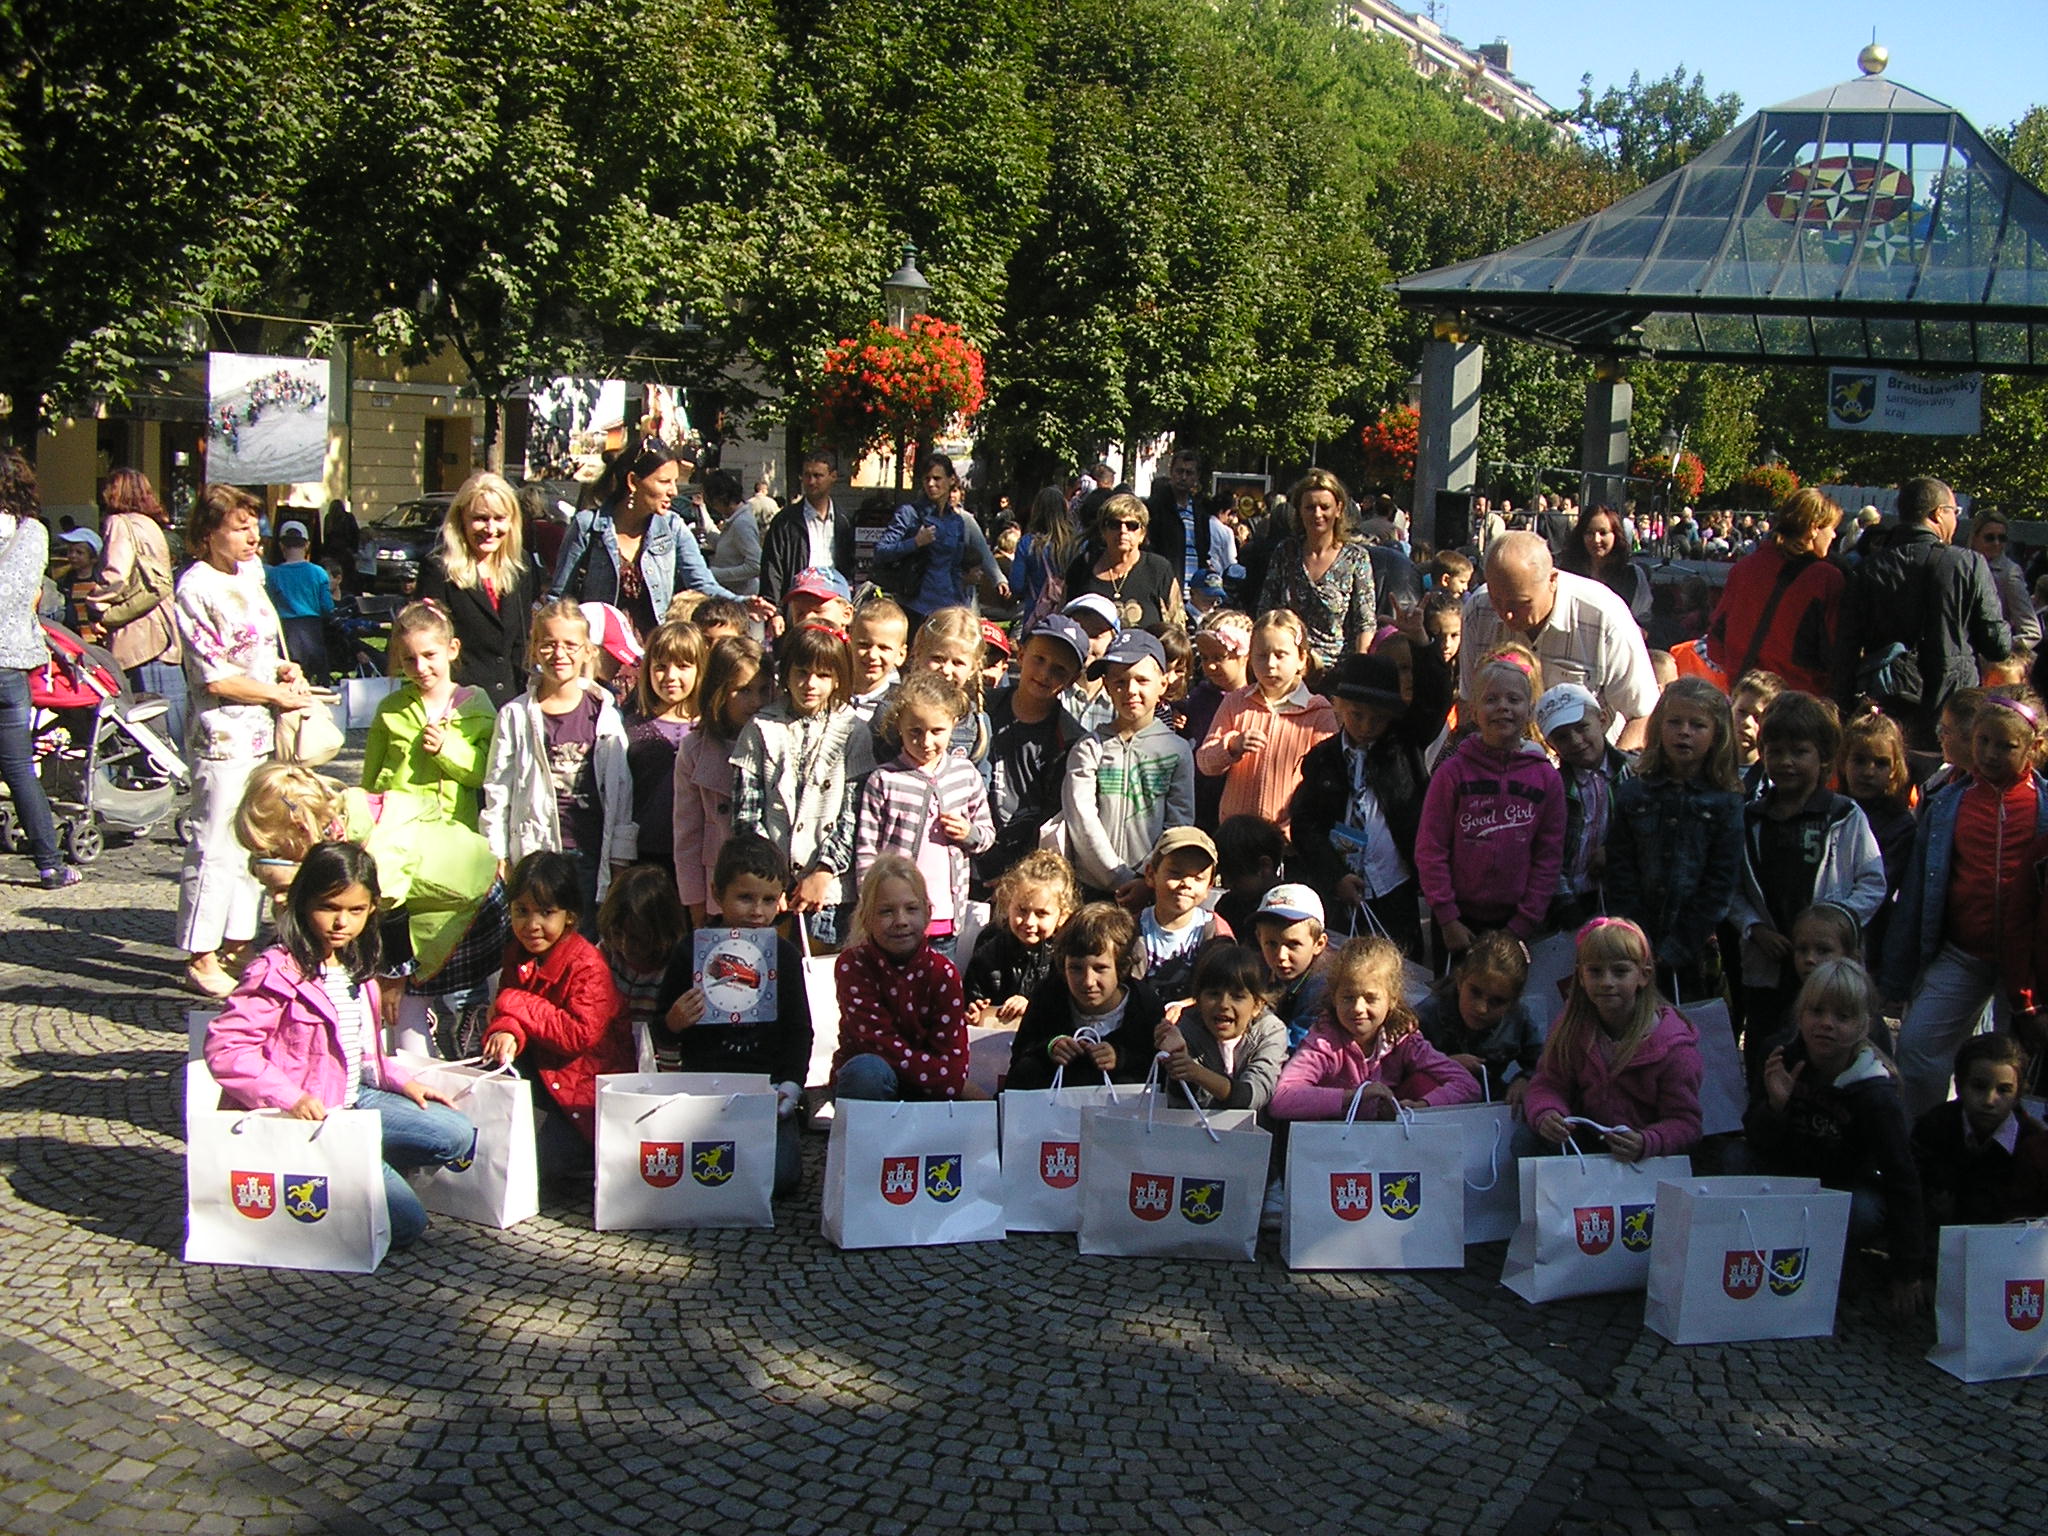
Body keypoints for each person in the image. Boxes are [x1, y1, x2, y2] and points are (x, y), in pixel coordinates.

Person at [202, 842, 476, 1250]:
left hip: (353, 1097)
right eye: (328, 907)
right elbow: (227, 1048)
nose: (341, 922)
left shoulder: (355, 964)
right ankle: (345, 1174)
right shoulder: (276, 970)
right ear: (303, 903)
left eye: (356, 910)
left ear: (371, 909)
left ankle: (364, 1165)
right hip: (306, 1118)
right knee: (405, 1225)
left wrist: (400, 1081)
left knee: (456, 1133)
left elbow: (360, 1051)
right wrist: (290, 1097)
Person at [1885, 690, 2048, 1118]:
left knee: (2014, 1067)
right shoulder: (1947, 804)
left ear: (2033, 747)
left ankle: (2006, 1147)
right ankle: (1926, 1138)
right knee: (1917, 1047)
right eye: (1983, 741)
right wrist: (1897, 977)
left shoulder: (2044, 805)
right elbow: (1916, 892)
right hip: (1963, 953)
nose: (1991, 754)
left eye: (2006, 746)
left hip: (2028, 965)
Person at [175, 484, 311, 995]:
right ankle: (201, 951)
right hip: (222, 732)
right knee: (214, 842)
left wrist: (283, 669)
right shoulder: (196, 587)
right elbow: (212, 675)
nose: (253, 536)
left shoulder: (251, 574)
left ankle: (238, 939)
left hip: (261, 730)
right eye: (239, 528)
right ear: (209, 534)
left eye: (255, 525)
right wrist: (275, 693)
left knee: (253, 838)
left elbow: (261, 644)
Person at [1744, 958, 1924, 1320]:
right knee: (1736, 1160)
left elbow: (1902, 1178)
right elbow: (1756, 1137)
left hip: (1844, 1190)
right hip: (1788, 1178)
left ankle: (1841, 1256)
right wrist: (1776, 1108)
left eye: (1842, 1016)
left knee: (1864, 1211)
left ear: (1864, 1025)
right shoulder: (1781, 1057)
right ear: (1800, 1014)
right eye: (1817, 1012)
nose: (1826, 1024)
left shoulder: (1876, 1094)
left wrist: (1908, 1271)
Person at [1728, 692, 1886, 1068]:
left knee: (1828, 1052)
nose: (1786, 762)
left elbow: (1872, 882)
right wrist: (1754, 928)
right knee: (1766, 1053)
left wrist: (1834, 925)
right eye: (1776, 752)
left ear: (1825, 758)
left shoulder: (1843, 816)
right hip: (1770, 963)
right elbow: (1731, 889)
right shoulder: (1750, 818)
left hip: (1827, 965)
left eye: (1799, 752)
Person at [652, 834, 811, 1192]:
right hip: (705, 1089)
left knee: (780, 1178)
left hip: (766, 1092)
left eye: (768, 900)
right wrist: (674, 1022)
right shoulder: (691, 950)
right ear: (717, 893)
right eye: (745, 898)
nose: (757, 912)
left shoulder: (785, 956)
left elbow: (799, 1029)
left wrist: (790, 1087)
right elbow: (659, 1028)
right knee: (699, 1173)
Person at [479, 850, 633, 1185]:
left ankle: (588, 1155)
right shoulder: (516, 952)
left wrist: (512, 1002)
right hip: (546, 1073)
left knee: (543, 1165)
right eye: (521, 911)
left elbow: (578, 1034)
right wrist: (507, 1030)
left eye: (546, 913)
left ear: (570, 917)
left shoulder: (587, 964)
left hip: (585, 1090)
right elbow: (509, 1013)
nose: (531, 925)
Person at [1289, 639, 1450, 958]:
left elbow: (1434, 701)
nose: (1366, 726)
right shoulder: (1323, 758)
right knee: (1344, 961)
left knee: (1400, 962)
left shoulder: (1403, 746)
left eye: (1377, 718)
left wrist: (1421, 644)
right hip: (1342, 885)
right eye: (1357, 714)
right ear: (1338, 706)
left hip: (1394, 883)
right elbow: (1306, 825)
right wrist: (1335, 876)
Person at [479, 600, 636, 926]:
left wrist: (620, 857)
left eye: (569, 645)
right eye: (548, 644)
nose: (559, 654)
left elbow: (621, 791)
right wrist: (498, 853)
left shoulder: (604, 714)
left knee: (584, 939)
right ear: (534, 649)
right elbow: (498, 789)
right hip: (535, 852)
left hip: (590, 853)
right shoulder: (515, 715)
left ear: (588, 651)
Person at [1839, 476, 2010, 759]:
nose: (1956, 520)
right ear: (1937, 514)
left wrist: (1846, 710)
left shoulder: (1868, 569)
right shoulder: (1967, 563)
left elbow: (1845, 648)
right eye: (1954, 512)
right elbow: (1997, 645)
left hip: (1886, 704)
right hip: (1952, 711)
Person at [729, 624, 875, 944]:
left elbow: (854, 813)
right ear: (786, 673)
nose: (810, 684)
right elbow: (746, 814)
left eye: (823, 675)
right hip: (769, 892)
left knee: (825, 969)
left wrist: (824, 870)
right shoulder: (761, 727)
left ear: (837, 679)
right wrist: (770, 878)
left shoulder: (853, 730)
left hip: (829, 892)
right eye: (802, 673)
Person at [1602, 678, 1745, 997]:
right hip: (1636, 938)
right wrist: (1635, 934)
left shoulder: (1726, 801)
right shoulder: (1634, 793)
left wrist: (1679, 946)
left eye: (1697, 725)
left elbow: (1720, 882)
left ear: (1717, 733)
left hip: (1696, 944)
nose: (1684, 732)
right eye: (1675, 722)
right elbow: (1620, 869)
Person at [1414, 656, 1566, 954]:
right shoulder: (1452, 773)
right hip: (1458, 920)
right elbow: (1431, 847)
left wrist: (1523, 923)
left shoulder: (1546, 778)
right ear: (1473, 711)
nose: (1503, 707)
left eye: (1514, 699)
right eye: (1491, 699)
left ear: (1530, 710)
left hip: (1517, 920)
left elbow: (1548, 858)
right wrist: (1447, 917)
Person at [1520, 917, 1703, 1162]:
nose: (1607, 982)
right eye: (1595, 971)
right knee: (1525, 1140)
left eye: (1620, 972)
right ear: (1581, 977)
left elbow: (1686, 1123)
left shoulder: (1673, 1047)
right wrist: (1548, 1113)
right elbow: (1548, 1084)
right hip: (1585, 1144)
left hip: (1647, 1157)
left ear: (1643, 976)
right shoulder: (1570, 1028)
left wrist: (1647, 1142)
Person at [550, 436, 768, 641]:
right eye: (664, 482)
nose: (674, 491)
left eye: (675, 482)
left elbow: (702, 583)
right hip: (599, 648)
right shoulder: (588, 527)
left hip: (654, 652)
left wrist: (742, 603)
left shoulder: (673, 527)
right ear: (633, 482)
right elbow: (559, 597)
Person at [1460, 532, 1659, 750]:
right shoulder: (1478, 609)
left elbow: (1644, 714)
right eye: (1496, 600)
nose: (1506, 614)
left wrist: (1613, 768)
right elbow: (1469, 703)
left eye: (1521, 603)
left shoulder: (1604, 616)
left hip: (1587, 760)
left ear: (1552, 580)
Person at [854, 672, 994, 961]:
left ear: (953, 724)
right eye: (915, 732)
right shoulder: (884, 779)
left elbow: (987, 833)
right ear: (899, 726)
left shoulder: (965, 774)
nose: (926, 742)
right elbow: (867, 849)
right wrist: (870, 903)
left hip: (944, 917)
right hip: (894, 920)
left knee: (938, 984)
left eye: (937, 731)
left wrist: (969, 834)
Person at [1269, 936, 1480, 1122]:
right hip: (1333, 1139)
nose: (1358, 1008)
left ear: (1392, 999)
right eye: (1348, 998)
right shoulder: (1324, 1042)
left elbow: (1468, 1085)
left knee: (1423, 1082)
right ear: (1334, 998)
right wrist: (1354, 1096)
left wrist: (1422, 1106)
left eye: (1370, 998)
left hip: (1389, 1139)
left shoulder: (1404, 1039)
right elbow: (1282, 1099)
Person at [1060, 629, 1194, 902]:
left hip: (1150, 889)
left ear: (1163, 684)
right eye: (1119, 681)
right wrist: (1118, 876)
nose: (1130, 690)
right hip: (1090, 887)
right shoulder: (1090, 747)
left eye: (1142, 680)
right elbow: (1081, 817)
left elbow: (1178, 823)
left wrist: (1148, 877)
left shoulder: (1177, 751)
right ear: (1107, 686)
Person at [0, 451, 82, 891]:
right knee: (18, 769)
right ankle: (49, 865)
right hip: (12, 661)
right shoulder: (33, 532)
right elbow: (31, 593)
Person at [832, 855, 973, 1101]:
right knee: (867, 1071)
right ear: (867, 918)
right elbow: (878, 1043)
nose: (901, 921)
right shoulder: (853, 965)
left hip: (931, 1090)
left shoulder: (944, 973)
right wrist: (952, 1083)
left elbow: (953, 1057)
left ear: (928, 913)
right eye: (886, 911)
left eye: (911, 909)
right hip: (875, 1085)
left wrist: (952, 1082)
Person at [1195, 607, 1335, 837]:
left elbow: (1326, 779)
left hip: (1290, 838)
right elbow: (1205, 762)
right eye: (1261, 655)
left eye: (1280, 655)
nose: (1270, 664)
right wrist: (1231, 746)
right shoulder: (1235, 702)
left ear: (1301, 659)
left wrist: (1297, 825)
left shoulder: (1318, 712)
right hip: (1235, 833)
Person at [362, 600, 496, 829]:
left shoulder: (477, 705)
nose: (420, 667)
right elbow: (370, 775)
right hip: (397, 828)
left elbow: (487, 774)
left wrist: (447, 748)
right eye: (409, 659)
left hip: (452, 829)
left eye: (429, 655)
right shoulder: (391, 708)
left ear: (452, 649)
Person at [1006, 900, 1163, 1091]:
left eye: (1100, 968)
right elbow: (1019, 1063)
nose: (1088, 981)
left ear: (1121, 966)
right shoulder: (1048, 996)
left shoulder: (1145, 1005)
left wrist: (1121, 1058)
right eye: (1076, 968)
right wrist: (1049, 1048)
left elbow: (1160, 1070)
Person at [415, 470, 540, 709]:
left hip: (511, 701)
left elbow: (521, 640)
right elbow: (427, 644)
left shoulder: (521, 566)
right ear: (461, 518)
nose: (490, 529)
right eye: (481, 518)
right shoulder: (438, 570)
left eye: (499, 518)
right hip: (459, 704)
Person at [978, 616, 1085, 891]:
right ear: (1021, 654)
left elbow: (1053, 817)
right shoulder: (981, 709)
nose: (1045, 674)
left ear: (1073, 679)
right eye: (1039, 659)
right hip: (965, 850)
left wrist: (1022, 872)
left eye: (1059, 669)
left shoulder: (1070, 740)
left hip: (1023, 872)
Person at [1705, 489, 1845, 698]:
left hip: (1743, 694)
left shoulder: (1744, 568)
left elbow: (1716, 640)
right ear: (1814, 528)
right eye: (1831, 528)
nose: (1834, 535)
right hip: (1798, 698)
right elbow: (1837, 653)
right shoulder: (1826, 579)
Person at [672, 636, 771, 924]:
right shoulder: (694, 749)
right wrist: (695, 903)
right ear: (720, 692)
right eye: (743, 691)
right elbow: (687, 835)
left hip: (770, 892)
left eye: (763, 690)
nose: (756, 702)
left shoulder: (778, 740)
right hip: (719, 890)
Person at [80, 467, 184, 737]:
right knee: (172, 719)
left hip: (139, 633)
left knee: (146, 718)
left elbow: (115, 575)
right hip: (164, 629)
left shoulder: (119, 523)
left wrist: (97, 608)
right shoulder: (151, 524)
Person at [1913, 1034, 2048, 1229]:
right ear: (1959, 1086)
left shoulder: (2031, 1143)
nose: (1989, 1101)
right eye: (1979, 1087)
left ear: (2018, 1094)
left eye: (2003, 1090)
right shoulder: (1933, 1127)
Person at [1258, 468, 1376, 668]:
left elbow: (1365, 621)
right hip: (1289, 667)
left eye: (1324, 507)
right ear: (1299, 511)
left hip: (1337, 668)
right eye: (1310, 507)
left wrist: (1360, 664)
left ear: (1338, 509)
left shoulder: (1356, 558)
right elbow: (1266, 610)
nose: (1317, 514)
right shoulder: (1286, 552)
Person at [1536, 684, 1629, 934]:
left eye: (1582, 727)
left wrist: (1614, 851)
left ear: (1602, 719)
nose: (1576, 741)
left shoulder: (1634, 775)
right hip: (1569, 903)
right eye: (1562, 737)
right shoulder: (1553, 788)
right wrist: (1565, 905)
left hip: (1622, 900)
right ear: (1550, 744)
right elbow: (1547, 854)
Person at [876, 453, 1007, 630]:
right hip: (915, 607)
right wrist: (915, 542)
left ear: (951, 480)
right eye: (927, 479)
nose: (931, 484)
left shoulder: (957, 521)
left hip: (948, 607)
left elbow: (956, 567)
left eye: (937, 478)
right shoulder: (909, 514)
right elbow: (881, 551)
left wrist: (962, 604)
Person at [1152, 942, 1288, 1112]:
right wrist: (1177, 1062)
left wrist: (1196, 1072)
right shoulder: (1186, 1029)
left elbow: (1254, 1097)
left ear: (1257, 1005)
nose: (1223, 1004)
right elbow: (1179, 1106)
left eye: (1237, 996)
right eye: (1213, 994)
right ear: (1198, 1000)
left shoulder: (1270, 1031)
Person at [1414, 931, 1542, 1105]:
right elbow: (1395, 1065)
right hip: (1432, 1102)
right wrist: (1444, 1065)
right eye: (1475, 992)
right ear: (1460, 980)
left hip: (1488, 1101)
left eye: (1497, 1001)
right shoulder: (1428, 1014)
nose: (1482, 1008)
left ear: (1513, 1001)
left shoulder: (1517, 1019)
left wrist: (1525, 1079)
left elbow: (1544, 1063)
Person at [622, 619, 703, 876]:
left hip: (699, 854)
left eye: (683, 666)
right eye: (660, 667)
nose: (670, 676)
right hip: (644, 854)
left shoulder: (711, 728)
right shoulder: (631, 727)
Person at [964, 850, 1079, 1028]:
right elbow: (971, 997)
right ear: (1008, 904)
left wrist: (1033, 1006)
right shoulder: (989, 949)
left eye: (1041, 913)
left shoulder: (1067, 956)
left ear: (1062, 916)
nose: (1029, 922)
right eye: (1022, 910)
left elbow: (1071, 1010)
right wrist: (974, 1012)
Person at [1133, 827, 1230, 1009]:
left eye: (1198, 878)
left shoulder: (1216, 932)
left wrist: (1187, 1006)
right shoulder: (1130, 930)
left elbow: (1227, 987)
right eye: (1175, 873)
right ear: (1151, 875)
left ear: (1209, 885)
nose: (1186, 884)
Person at [595, 864, 688, 1052]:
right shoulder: (605, 954)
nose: (625, 946)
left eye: (637, 939)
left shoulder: (675, 968)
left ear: (661, 932)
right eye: (617, 934)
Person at [1062, 493, 1180, 633]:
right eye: (1114, 524)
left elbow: (1177, 626)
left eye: (1132, 526)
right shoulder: (1082, 566)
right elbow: (1062, 618)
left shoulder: (1159, 570)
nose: (1123, 531)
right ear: (1103, 531)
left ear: (1142, 534)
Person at [759, 448, 855, 607]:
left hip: (833, 603)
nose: (811, 482)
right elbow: (772, 568)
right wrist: (774, 610)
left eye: (818, 476)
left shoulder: (843, 521)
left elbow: (849, 566)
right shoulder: (785, 522)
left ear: (833, 476)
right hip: (798, 604)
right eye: (807, 475)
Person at [1252, 882, 1333, 1049]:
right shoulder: (1253, 973)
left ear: (1319, 944)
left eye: (1293, 945)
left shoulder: (1323, 989)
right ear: (1259, 938)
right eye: (1271, 944)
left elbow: (1299, 1044)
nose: (1281, 956)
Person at [1558, 504, 1650, 625]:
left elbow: (1642, 619)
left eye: (1603, 533)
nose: (1596, 539)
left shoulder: (1632, 576)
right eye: (1589, 533)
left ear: (1616, 535)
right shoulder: (1568, 573)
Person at [1966, 512, 2040, 650]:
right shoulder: (1962, 565)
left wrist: (2001, 651)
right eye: (1989, 538)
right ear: (1975, 538)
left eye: (2002, 538)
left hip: (1986, 655)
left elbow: (2031, 632)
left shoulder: (2009, 573)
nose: (1996, 543)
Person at [847, 596, 909, 723]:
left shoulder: (899, 711)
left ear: (900, 655)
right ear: (849, 643)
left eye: (883, 648)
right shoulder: (830, 694)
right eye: (864, 645)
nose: (872, 655)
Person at [701, 469, 761, 598]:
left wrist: (714, 574)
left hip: (742, 596)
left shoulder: (742, 523)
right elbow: (724, 545)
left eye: (712, 503)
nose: (714, 508)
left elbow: (755, 566)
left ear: (719, 498)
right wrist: (702, 513)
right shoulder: (735, 520)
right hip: (733, 595)